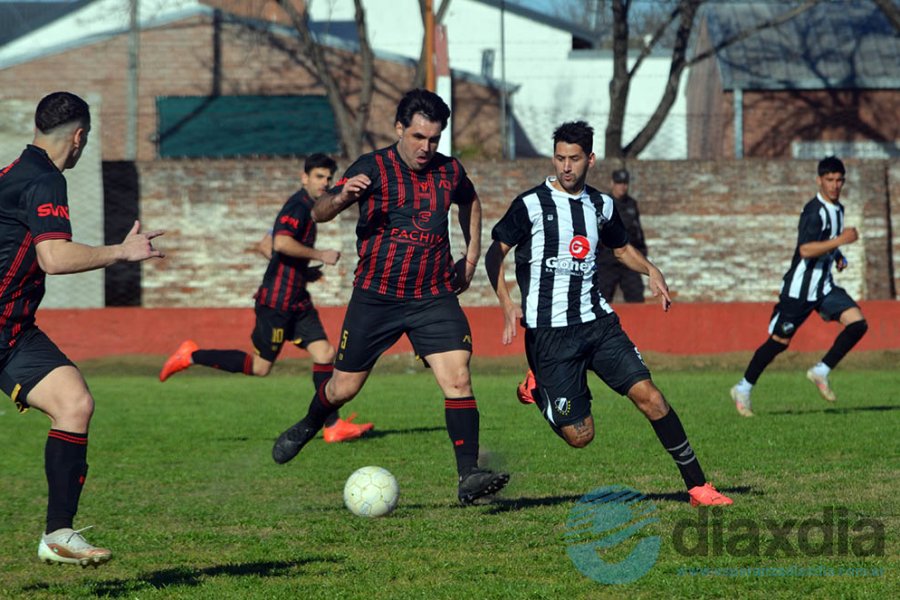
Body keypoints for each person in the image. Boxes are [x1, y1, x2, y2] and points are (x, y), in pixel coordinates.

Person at [271, 89, 510, 505]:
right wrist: (344, 195)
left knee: (458, 378)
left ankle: (468, 476)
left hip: (433, 296)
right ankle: (310, 424)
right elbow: (319, 212)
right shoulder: (373, 167)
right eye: (418, 137)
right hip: (376, 297)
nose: (426, 147)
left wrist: (470, 259)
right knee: (343, 388)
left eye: (434, 139)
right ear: (399, 129)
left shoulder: (449, 171)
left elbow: (470, 202)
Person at [485, 120, 731, 507]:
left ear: (590, 159)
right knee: (581, 437)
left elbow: (620, 249)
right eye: (560, 158)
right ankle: (539, 388)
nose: (566, 167)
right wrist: (506, 303)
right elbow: (494, 252)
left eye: (575, 159)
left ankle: (698, 486)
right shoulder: (530, 205)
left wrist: (651, 270)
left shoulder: (601, 205)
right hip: (551, 335)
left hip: (598, 324)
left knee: (651, 397)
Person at [0, 92, 164, 566]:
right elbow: (53, 257)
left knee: (74, 403)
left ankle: (58, 534)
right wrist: (121, 251)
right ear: (79, 136)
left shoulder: (13, 175)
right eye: (85, 140)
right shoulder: (45, 180)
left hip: (13, 332)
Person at [159, 154, 373, 442]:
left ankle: (332, 426)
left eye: (328, 177)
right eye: (319, 176)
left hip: (297, 300)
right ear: (304, 178)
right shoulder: (298, 207)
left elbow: (265, 246)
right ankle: (191, 355)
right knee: (261, 368)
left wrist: (301, 272)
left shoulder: (308, 207)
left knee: (325, 354)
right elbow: (281, 243)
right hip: (276, 302)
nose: (325, 182)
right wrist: (319, 255)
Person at [730, 156, 867, 417]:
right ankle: (743, 388)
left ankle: (821, 371)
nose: (835, 185)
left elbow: (825, 242)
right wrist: (841, 240)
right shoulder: (813, 211)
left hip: (824, 287)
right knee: (779, 342)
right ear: (819, 180)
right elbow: (805, 249)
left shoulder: (838, 209)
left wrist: (838, 255)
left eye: (839, 180)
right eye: (830, 180)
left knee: (858, 323)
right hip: (799, 290)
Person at [596, 168, 647, 303]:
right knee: (602, 300)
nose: (622, 187)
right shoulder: (604, 203)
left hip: (629, 259)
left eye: (625, 183)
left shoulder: (631, 204)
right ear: (612, 183)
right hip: (607, 259)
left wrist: (642, 253)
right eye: (619, 183)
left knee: (636, 297)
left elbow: (638, 231)